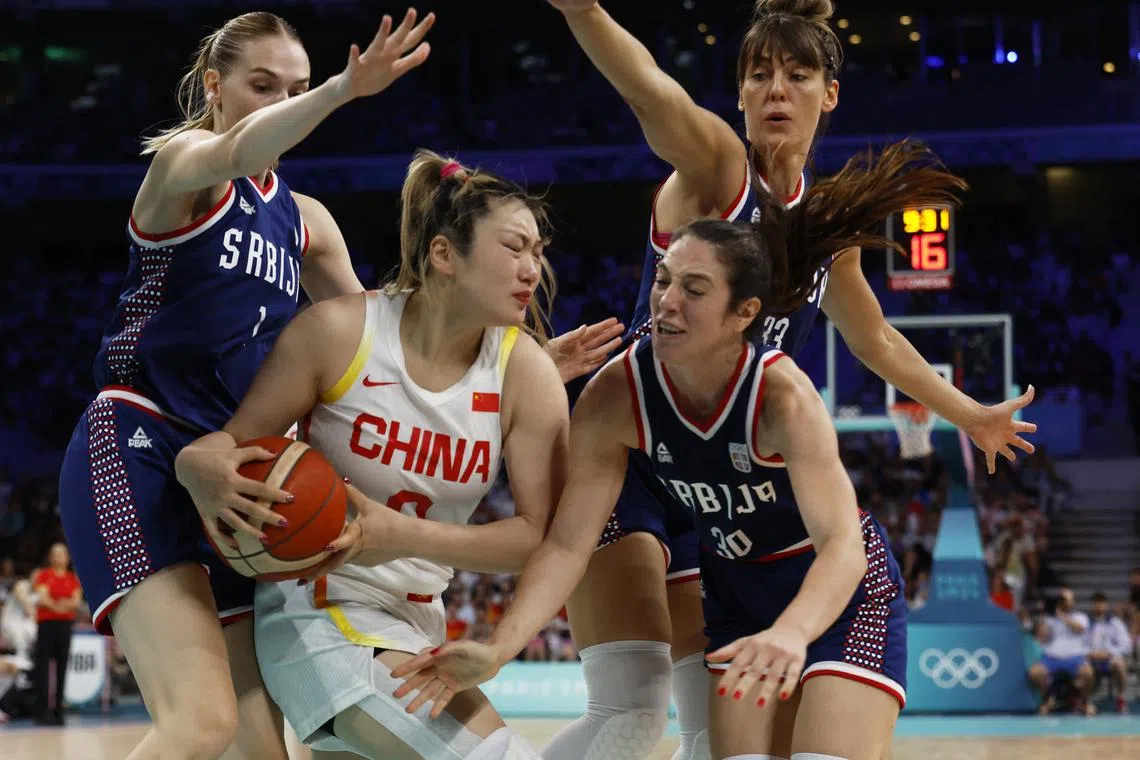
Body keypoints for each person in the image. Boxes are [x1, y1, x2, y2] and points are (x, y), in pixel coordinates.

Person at [539, 2, 1037, 758]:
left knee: (712, 738)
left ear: (828, 94)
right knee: (628, 718)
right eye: (758, 73)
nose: (776, 89)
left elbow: (872, 336)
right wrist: (585, 11)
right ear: (737, 94)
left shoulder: (823, 229)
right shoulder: (717, 170)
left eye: (798, 74)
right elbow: (650, 92)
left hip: (720, 488)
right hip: (633, 461)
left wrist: (969, 414)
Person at [386, 143, 969, 760]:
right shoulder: (617, 392)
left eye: (693, 289)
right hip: (737, 592)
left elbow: (843, 546)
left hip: (837, 589)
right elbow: (564, 542)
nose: (665, 302)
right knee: (650, 722)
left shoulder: (783, 398)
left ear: (745, 314)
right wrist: (501, 648)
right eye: (663, 279)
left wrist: (794, 633)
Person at [56, 9, 436, 759]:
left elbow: (376, 345)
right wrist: (337, 90)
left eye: (291, 88)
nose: (280, 103)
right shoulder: (182, 166)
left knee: (260, 749)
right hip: (141, 444)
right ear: (214, 86)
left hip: (235, 478)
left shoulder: (306, 222)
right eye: (262, 86)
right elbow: (236, 148)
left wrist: (502, 365)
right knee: (199, 724)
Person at [176, 150, 570, 759]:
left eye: (538, 252)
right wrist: (196, 464)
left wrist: (401, 536)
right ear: (444, 255)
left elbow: (534, 538)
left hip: (418, 626)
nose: (532, 269)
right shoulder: (337, 333)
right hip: (315, 613)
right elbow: (230, 447)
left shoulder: (527, 374)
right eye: (514, 248)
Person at [31, 543, 82, 725]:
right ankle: (42, 711)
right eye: (55, 554)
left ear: (67, 557)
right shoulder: (44, 575)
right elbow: (42, 598)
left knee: (62, 665)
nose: (59, 557)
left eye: (62, 554)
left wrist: (56, 605)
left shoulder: (72, 579)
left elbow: (75, 603)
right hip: (46, 624)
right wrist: (61, 605)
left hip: (65, 626)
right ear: (50, 557)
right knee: (43, 667)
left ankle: (59, 710)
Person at [1030, 588, 1094, 716]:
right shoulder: (1049, 618)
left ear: (1073, 602)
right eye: (1063, 599)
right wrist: (1044, 615)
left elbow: (1079, 629)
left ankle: (1084, 702)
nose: (1065, 602)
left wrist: (1062, 616)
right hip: (1051, 658)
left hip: (1074, 657)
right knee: (1035, 673)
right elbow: (1042, 637)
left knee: (1087, 673)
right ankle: (1047, 700)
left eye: (1068, 600)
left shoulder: (1080, 617)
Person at [1088, 591, 1132, 713]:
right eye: (1095, 603)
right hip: (1092, 659)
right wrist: (1090, 653)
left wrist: (1109, 653)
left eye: (1101, 602)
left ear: (1106, 605)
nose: (1098, 605)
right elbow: (1081, 644)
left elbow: (1126, 645)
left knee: (1119, 664)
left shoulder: (1115, 622)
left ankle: (1121, 698)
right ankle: (1085, 701)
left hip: (1109, 659)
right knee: (1081, 666)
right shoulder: (1086, 622)